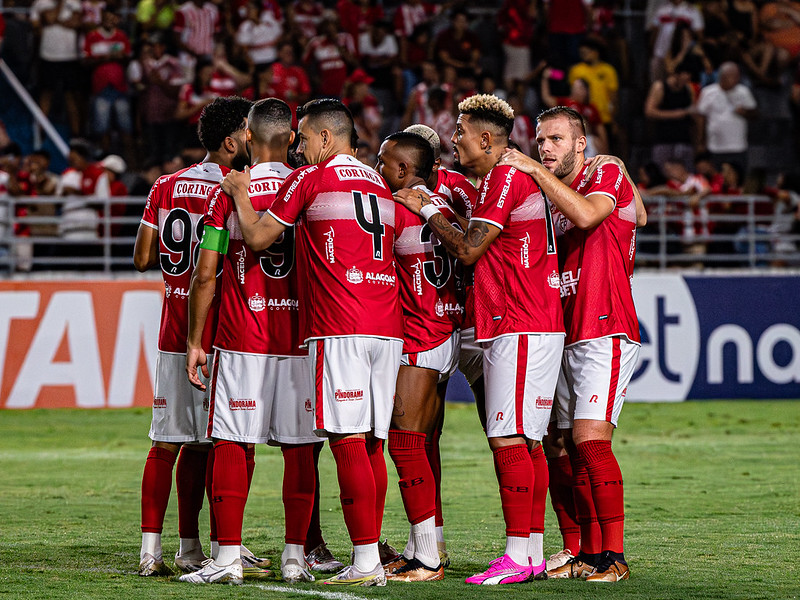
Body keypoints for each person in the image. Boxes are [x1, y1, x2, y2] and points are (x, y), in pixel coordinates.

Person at [220, 98, 403, 587]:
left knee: (345, 440)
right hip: (387, 325)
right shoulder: (379, 182)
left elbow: (257, 238)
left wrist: (239, 191)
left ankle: (365, 564)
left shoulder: (310, 178)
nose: (298, 148)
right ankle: (369, 557)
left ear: (326, 138)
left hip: (340, 323)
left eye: (302, 138)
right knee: (372, 444)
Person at [395, 94, 564, 585]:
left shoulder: (506, 177)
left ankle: (517, 555)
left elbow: (469, 250)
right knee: (526, 441)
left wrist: (427, 210)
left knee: (510, 437)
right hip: (519, 319)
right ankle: (530, 552)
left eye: (461, 131)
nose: (455, 139)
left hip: (521, 319)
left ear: (486, 138)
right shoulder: (502, 178)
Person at [182, 97, 341, 585]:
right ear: (293, 139)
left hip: (243, 336)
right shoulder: (310, 185)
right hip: (300, 339)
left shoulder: (228, 193)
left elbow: (206, 272)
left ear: (246, 136)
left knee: (232, 441)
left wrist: (195, 340)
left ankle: (228, 559)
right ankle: (296, 558)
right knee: (299, 448)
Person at [499, 105, 645, 582]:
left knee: (589, 441)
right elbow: (638, 215)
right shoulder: (559, 189)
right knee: (559, 444)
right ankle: (581, 550)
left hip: (605, 325)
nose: (545, 148)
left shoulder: (602, 170)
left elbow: (586, 216)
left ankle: (615, 556)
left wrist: (534, 169)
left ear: (581, 144)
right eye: (541, 140)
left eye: (557, 139)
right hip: (562, 328)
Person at [132, 96, 270, 578]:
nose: (254, 140)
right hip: (226, 332)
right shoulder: (242, 189)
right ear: (233, 140)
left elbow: (143, 257)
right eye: (249, 133)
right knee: (229, 443)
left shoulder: (166, 185)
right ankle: (215, 546)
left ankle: (156, 550)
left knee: (170, 441)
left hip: (174, 328)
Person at [374, 132, 462, 582]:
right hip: (446, 328)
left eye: (383, 162)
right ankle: (423, 544)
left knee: (405, 442)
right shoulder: (442, 206)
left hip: (419, 334)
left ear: (405, 171)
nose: (377, 168)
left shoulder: (397, 209)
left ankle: (427, 558)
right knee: (423, 443)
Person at [404, 123, 479, 567]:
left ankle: (529, 546)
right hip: (433, 322)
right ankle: (432, 539)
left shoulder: (458, 190)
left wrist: (434, 210)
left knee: (506, 434)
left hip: (469, 321)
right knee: (425, 435)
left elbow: (481, 237)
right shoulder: (390, 193)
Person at [694, 61, 757, 171]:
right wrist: (700, 141)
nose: (737, 79)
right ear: (722, 77)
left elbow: (755, 114)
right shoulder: (708, 92)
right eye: (733, 77)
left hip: (738, 147)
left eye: (738, 76)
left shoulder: (743, 92)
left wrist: (745, 112)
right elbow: (701, 117)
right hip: (715, 147)